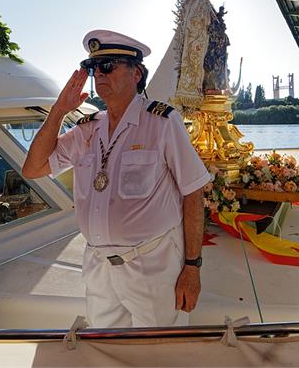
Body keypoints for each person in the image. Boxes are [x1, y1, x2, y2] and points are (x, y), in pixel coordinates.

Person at [22, 30, 209, 328]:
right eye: (95, 68)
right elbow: (33, 168)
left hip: (153, 265)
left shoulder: (162, 122)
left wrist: (192, 267)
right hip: (99, 268)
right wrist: (59, 110)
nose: (100, 75)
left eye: (108, 66)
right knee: (106, 352)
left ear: (136, 73)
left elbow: (193, 193)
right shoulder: (87, 127)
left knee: (160, 353)